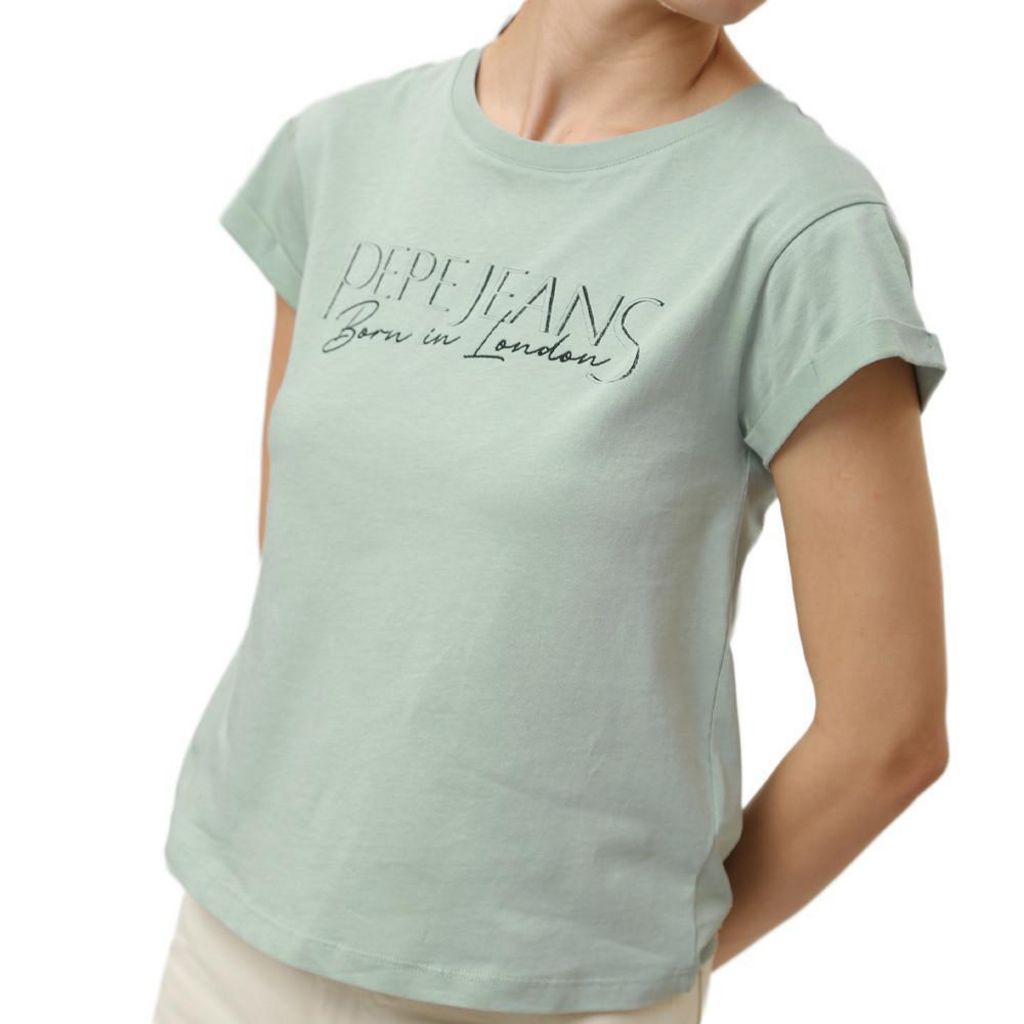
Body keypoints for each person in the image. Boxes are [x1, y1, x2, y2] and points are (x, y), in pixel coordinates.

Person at [151, 1, 950, 1021]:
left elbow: (888, 737)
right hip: (236, 940)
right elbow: (313, 559)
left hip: (557, 995)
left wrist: (639, 965)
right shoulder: (343, 150)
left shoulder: (803, 229)